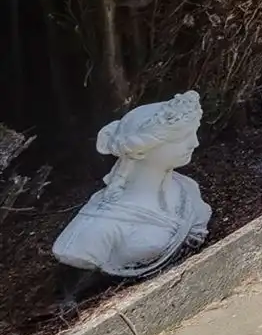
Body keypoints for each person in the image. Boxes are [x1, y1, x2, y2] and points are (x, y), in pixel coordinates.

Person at [53, 91, 211, 277]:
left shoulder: (186, 187)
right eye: (181, 138)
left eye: (193, 133)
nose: (195, 143)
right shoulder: (95, 228)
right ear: (140, 151)